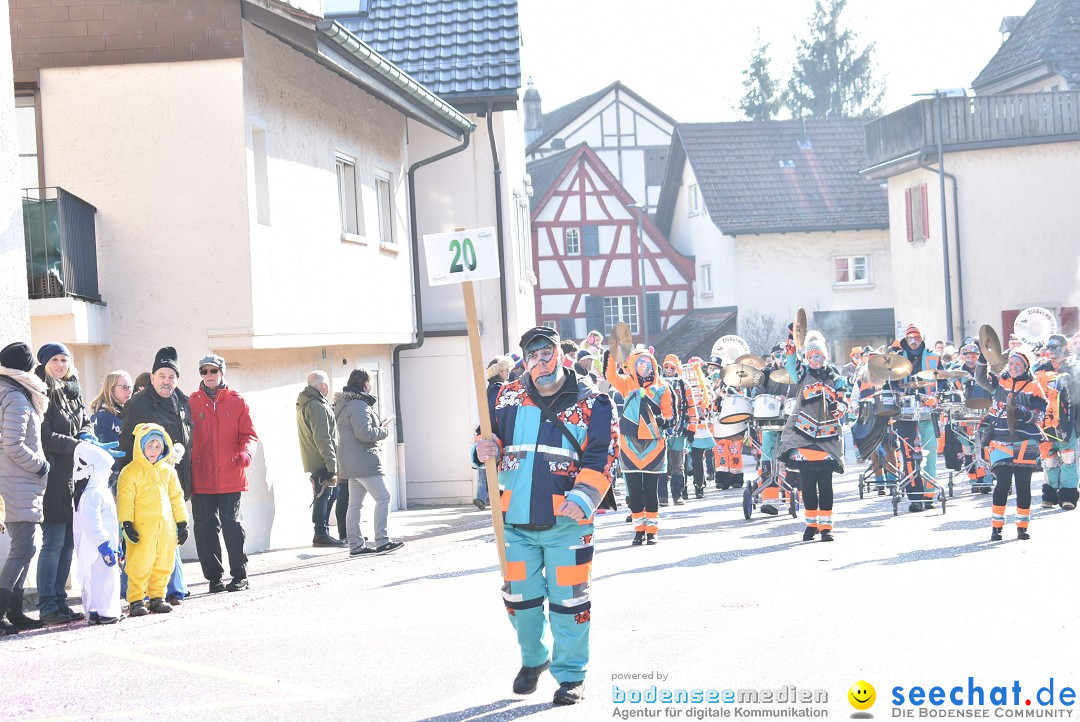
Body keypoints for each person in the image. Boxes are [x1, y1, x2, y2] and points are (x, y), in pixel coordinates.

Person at [473, 326, 617, 705]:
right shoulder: (503, 398)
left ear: (561, 354)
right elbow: (486, 443)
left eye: (547, 351)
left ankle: (571, 675)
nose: (541, 361)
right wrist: (484, 448)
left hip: (568, 524)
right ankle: (534, 659)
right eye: (532, 355)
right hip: (514, 521)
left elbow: (603, 454)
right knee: (519, 600)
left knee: (570, 602)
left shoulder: (593, 402)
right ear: (525, 360)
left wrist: (584, 496)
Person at [119, 347, 194, 605]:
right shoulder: (136, 405)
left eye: (172, 377)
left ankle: (170, 590)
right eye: (162, 375)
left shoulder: (183, 402)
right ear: (152, 378)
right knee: (143, 547)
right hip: (142, 490)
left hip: (172, 481)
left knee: (169, 539)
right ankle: (139, 595)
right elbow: (127, 448)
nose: (167, 381)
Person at [188, 354, 258, 593]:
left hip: (231, 474)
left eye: (213, 371)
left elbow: (249, 435)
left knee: (232, 525)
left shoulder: (237, 401)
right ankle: (214, 578)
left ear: (221, 372)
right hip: (202, 477)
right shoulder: (191, 402)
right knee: (205, 528)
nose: (209, 376)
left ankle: (240, 575)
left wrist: (245, 454)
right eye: (204, 372)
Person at [35, 342, 94, 624]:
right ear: (45, 363)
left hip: (74, 478)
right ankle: (47, 604)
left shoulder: (73, 391)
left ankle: (60, 600)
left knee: (69, 542)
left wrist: (86, 435)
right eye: (54, 360)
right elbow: (44, 437)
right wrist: (78, 445)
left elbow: (86, 422)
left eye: (64, 359)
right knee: (53, 542)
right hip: (52, 478)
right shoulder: (40, 393)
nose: (60, 365)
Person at [778, 331, 849, 541]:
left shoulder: (836, 378)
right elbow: (791, 366)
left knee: (825, 484)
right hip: (804, 436)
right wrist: (792, 347)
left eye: (817, 356)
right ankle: (810, 525)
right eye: (810, 357)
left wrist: (840, 408)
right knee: (807, 484)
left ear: (824, 356)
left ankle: (826, 527)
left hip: (827, 438)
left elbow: (844, 402)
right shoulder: (802, 375)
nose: (814, 360)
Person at [0, 342, 50, 634]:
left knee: (24, 549)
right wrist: (40, 466)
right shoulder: (16, 397)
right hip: (17, 480)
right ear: (27, 368)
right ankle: (5, 611)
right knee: (24, 548)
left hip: (15, 481)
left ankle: (15, 612)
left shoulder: (9, 392)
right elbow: (14, 446)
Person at [604, 345, 674, 545]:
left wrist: (665, 421)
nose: (645, 367)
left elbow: (669, 414)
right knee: (634, 491)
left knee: (651, 491)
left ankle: (652, 531)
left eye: (648, 363)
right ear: (633, 366)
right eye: (640, 363)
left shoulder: (662, 388)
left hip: (654, 445)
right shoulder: (626, 384)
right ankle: (638, 530)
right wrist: (613, 352)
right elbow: (609, 374)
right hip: (630, 445)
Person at [975, 346, 1047, 540]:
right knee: (1003, 481)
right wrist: (983, 358)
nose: (1013, 366)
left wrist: (1023, 413)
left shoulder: (1034, 386)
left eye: (1018, 364)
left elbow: (1040, 414)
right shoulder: (1000, 381)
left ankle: (1022, 527)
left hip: (1026, 439)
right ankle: (996, 527)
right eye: (1011, 363)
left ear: (1026, 367)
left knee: (1023, 484)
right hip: (1000, 438)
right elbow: (981, 380)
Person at [118, 424, 189, 615]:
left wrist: (182, 522)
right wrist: (126, 523)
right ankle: (136, 599)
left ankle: (158, 597)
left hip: (165, 529)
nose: (153, 451)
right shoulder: (130, 472)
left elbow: (176, 497)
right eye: (149, 446)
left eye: (158, 447)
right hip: (142, 530)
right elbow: (125, 499)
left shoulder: (168, 471)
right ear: (140, 447)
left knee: (163, 563)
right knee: (139, 564)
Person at [334, 368, 403, 556]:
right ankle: (382, 540)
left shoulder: (346, 404)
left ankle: (356, 546)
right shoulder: (358, 405)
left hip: (351, 461)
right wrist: (384, 431)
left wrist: (376, 426)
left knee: (354, 505)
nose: (371, 385)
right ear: (365, 384)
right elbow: (365, 434)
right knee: (384, 497)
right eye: (370, 382)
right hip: (364, 460)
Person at [892, 323, 943, 512]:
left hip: (928, 411)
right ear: (906, 339)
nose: (913, 341)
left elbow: (943, 381)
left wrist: (937, 396)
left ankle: (928, 496)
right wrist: (899, 393)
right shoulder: (897, 359)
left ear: (922, 338)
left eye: (917, 337)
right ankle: (915, 498)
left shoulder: (933, 357)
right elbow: (892, 384)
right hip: (905, 413)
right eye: (910, 338)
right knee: (909, 455)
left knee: (929, 453)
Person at [72, 440, 123, 624]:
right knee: (102, 579)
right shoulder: (91, 495)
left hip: (107, 545)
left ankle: (98, 610)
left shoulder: (99, 492)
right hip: (99, 548)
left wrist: (117, 544)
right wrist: (103, 545)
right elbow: (92, 524)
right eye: (106, 468)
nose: (110, 472)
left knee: (104, 579)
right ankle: (105, 612)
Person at [297, 370, 345, 547]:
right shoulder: (316, 405)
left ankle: (322, 532)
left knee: (329, 494)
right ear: (323, 385)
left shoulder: (308, 402)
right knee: (324, 494)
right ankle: (320, 533)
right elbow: (323, 438)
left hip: (317, 457)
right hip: (321, 459)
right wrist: (331, 464)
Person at [1032, 334, 1078, 510]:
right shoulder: (1039, 368)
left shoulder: (1074, 368)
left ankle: (1068, 495)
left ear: (1064, 348)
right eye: (1048, 347)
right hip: (1044, 421)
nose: (1050, 350)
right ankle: (1050, 494)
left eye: (1055, 347)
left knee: (1068, 458)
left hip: (1067, 420)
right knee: (1049, 459)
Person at [475, 357, 513, 510]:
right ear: (500, 372)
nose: (509, 372)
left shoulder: (493, 388)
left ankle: (484, 499)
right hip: (496, 438)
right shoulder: (497, 389)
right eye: (506, 370)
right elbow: (496, 415)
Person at [658, 355, 692, 506]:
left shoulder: (684, 384)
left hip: (679, 430)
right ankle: (662, 496)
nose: (669, 370)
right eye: (666, 367)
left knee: (678, 465)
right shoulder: (657, 383)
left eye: (673, 367)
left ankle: (677, 495)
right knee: (661, 464)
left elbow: (691, 407)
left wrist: (692, 429)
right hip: (662, 430)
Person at [90, 371, 133, 489]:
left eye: (130, 387)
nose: (129, 391)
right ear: (111, 389)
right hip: (112, 483)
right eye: (124, 387)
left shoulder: (124, 413)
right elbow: (108, 456)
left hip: (127, 479)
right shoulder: (104, 417)